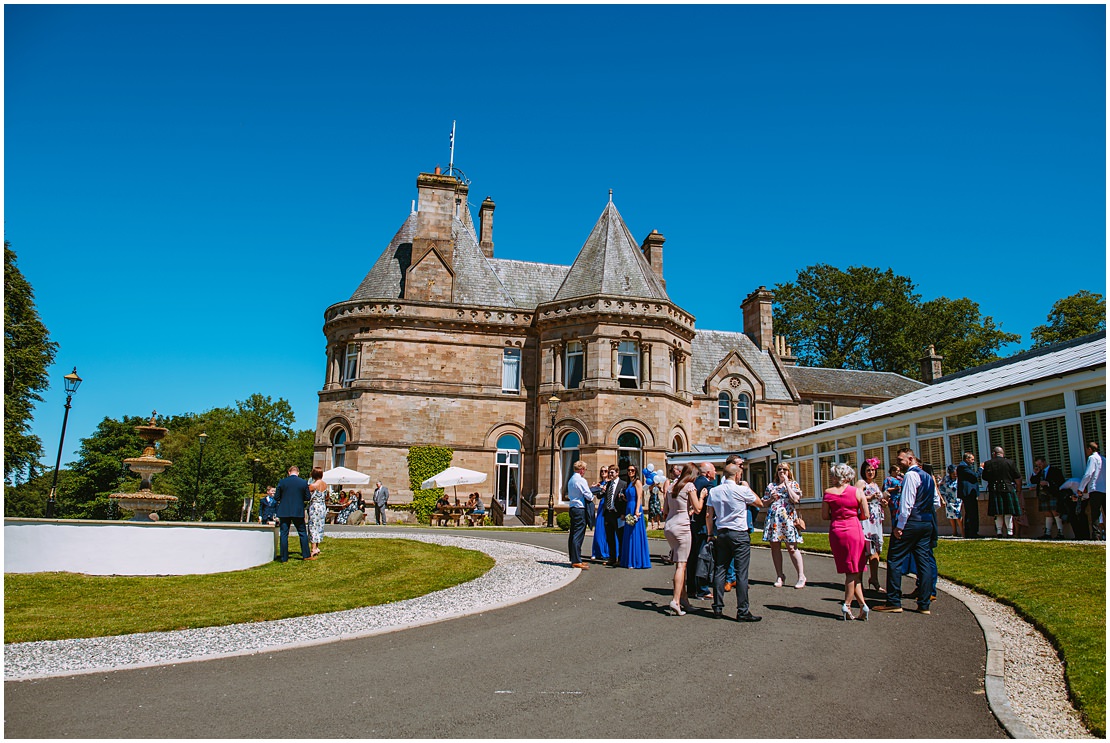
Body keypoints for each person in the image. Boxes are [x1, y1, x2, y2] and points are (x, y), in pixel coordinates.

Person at [875, 448, 938, 615]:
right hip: (926, 522)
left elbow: (907, 503)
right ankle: (924, 603)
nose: (898, 463)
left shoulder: (911, 475)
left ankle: (894, 601)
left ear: (910, 459)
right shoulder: (928, 476)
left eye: (901, 460)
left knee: (895, 559)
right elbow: (936, 502)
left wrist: (900, 526)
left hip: (911, 522)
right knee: (923, 561)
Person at [706, 463, 764, 622]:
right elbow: (759, 502)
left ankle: (717, 606)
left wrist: (710, 533)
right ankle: (742, 610)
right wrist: (747, 487)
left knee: (720, 568)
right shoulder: (741, 489)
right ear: (737, 475)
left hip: (722, 532)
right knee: (741, 572)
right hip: (739, 533)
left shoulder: (714, 491)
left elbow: (708, 515)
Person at [823, 462, 869, 621]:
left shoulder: (828, 493)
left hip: (837, 530)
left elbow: (824, 515)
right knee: (853, 570)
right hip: (854, 529)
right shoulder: (857, 492)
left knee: (852, 570)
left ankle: (863, 605)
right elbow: (865, 515)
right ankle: (847, 604)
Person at [662, 463, 700, 615]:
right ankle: (676, 600)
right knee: (682, 565)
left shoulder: (671, 486)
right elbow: (697, 508)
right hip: (682, 527)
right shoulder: (689, 486)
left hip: (669, 526)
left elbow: (665, 510)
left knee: (678, 562)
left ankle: (683, 599)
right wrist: (702, 497)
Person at [761, 462, 806, 589]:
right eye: (779, 469)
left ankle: (801, 576)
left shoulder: (793, 484)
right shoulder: (771, 485)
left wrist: (787, 484)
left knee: (792, 547)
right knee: (775, 547)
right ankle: (780, 575)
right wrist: (771, 499)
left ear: (789, 471)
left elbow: (796, 499)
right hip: (774, 519)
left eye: (784, 469)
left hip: (788, 519)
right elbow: (764, 503)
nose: (782, 471)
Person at [855, 457, 885, 592]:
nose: (871, 472)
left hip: (876, 520)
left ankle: (874, 579)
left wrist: (882, 501)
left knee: (876, 550)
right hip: (865, 520)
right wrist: (869, 498)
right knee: (864, 550)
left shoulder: (875, 485)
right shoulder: (861, 483)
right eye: (868, 470)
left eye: (873, 470)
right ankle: (858, 581)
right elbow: (855, 497)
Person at [274, 465, 312, 562]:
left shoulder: (282, 482)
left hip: (284, 510)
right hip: (297, 510)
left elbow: (276, 497)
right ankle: (306, 555)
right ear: (298, 473)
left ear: (289, 472)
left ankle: (284, 557)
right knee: (302, 533)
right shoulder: (303, 482)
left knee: (284, 534)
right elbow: (308, 497)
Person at [982, 446, 1022, 537]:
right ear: (1002, 454)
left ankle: (999, 532)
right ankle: (1010, 532)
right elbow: (1017, 475)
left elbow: (984, 477)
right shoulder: (1010, 462)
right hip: (1007, 488)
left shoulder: (988, 463)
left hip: (995, 489)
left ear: (994, 454)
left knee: (998, 512)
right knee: (1008, 512)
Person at [689, 463, 715, 599]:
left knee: (693, 557)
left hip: (692, 525)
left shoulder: (693, 483)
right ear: (708, 473)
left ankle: (691, 587)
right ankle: (702, 589)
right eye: (714, 470)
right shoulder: (709, 486)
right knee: (703, 559)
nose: (715, 472)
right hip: (703, 526)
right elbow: (709, 510)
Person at [618, 464, 651, 569]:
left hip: (634, 508)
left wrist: (637, 510)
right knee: (628, 533)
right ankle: (628, 559)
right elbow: (630, 498)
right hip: (629, 507)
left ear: (636, 471)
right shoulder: (629, 483)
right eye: (628, 470)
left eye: (632, 470)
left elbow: (639, 497)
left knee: (634, 533)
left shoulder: (637, 482)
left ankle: (636, 560)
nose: (630, 472)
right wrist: (623, 498)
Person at [566, 461, 594, 569]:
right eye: (585, 470)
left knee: (573, 533)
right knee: (578, 535)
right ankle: (577, 560)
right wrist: (592, 494)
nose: (584, 472)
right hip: (580, 509)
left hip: (572, 507)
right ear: (582, 469)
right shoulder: (581, 480)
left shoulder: (571, 480)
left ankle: (573, 558)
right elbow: (589, 496)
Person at [1029, 456, 1065, 539]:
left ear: (1044, 462)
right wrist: (1035, 473)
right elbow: (1033, 481)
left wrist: (1048, 483)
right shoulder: (1039, 472)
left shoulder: (1055, 470)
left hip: (1052, 493)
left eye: (1040, 464)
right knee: (1047, 513)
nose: (1039, 466)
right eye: (1037, 465)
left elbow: (1060, 482)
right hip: (1043, 495)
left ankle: (1060, 532)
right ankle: (1047, 533)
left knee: (1055, 512)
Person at [600, 465, 627, 566]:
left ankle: (620, 558)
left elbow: (625, 501)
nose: (610, 474)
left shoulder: (623, 484)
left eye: (611, 472)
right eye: (609, 472)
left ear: (617, 473)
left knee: (620, 537)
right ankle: (612, 558)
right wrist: (602, 489)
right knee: (610, 537)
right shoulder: (608, 484)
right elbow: (600, 496)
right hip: (608, 513)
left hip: (618, 514)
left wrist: (623, 513)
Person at [1077, 441, 1104, 541]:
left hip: (1095, 488)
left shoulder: (1092, 458)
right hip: (1105, 488)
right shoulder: (1103, 459)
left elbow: (1088, 474)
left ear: (1089, 449)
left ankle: (1096, 534)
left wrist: (1081, 488)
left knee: (1095, 512)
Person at [957, 451, 983, 538]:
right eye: (972, 459)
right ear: (967, 459)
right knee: (971, 513)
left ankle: (970, 532)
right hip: (968, 493)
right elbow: (975, 475)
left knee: (970, 512)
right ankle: (972, 532)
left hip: (969, 493)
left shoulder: (964, 467)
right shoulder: (963, 467)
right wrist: (981, 468)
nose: (973, 461)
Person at [591, 467, 613, 561]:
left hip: (608, 506)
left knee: (607, 530)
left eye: (605, 471)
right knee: (599, 529)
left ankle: (607, 552)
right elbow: (599, 496)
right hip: (601, 506)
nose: (603, 472)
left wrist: (605, 489)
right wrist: (597, 488)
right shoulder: (600, 483)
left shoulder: (610, 482)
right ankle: (597, 551)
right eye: (602, 471)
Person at [306, 467, 328, 557]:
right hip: (322, 506)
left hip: (315, 506)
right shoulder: (325, 485)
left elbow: (306, 495)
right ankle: (317, 546)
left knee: (313, 526)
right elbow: (327, 496)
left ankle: (313, 548)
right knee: (320, 526)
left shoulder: (313, 485)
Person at [939, 464, 963, 537]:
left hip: (957, 499)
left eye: (956, 474)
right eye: (953, 474)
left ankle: (963, 532)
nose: (955, 475)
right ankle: (954, 532)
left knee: (958, 515)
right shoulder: (946, 479)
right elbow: (940, 487)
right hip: (949, 499)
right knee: (951, 516)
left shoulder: (960, 479)